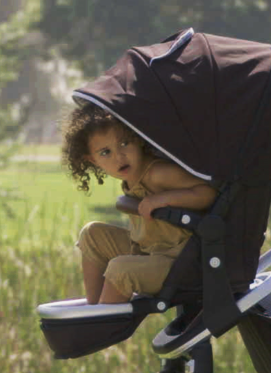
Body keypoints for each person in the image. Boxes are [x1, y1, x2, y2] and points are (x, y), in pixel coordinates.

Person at [61, 102, 218, 304]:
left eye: (125, 143)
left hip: (181, 262)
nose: (119, 156)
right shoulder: (131, 177)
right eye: (105, 152)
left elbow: (208, 193)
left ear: (139, 140)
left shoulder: (158, 174)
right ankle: (93, 308)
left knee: (120, 269)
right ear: (92, 160)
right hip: (150, 251)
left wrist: (162, 199)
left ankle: (101, 324)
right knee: (91, 234)